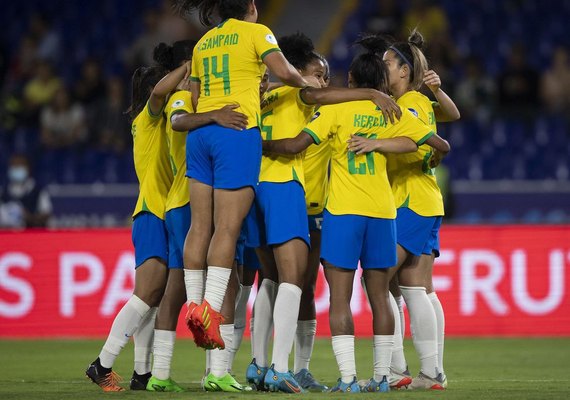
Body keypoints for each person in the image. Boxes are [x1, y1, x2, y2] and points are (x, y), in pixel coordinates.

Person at [262, 34, 450, 393]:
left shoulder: (334, 109)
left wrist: (257, 142)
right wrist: (388, 145)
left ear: (349, 82)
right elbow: (439, 144)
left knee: (340, 297)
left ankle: (348, 379)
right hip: (382, 212)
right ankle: (382, 378)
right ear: (380, 82)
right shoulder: (390, 110)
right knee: (383, 294)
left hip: (343, 212)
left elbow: (296, 145)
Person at [244, 31, 400, 393]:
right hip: (299, 197)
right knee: (294, 283)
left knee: (273, 281)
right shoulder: (307, 97)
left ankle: (266, 364)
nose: (323, 81)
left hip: (263, 191)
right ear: (299, 71)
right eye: (319, 73)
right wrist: (371, 92)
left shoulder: (264, 95)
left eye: (328, 75)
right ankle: (286, 368)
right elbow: (312, 106)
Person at [172, 0, 313, 354]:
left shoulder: (204, 42)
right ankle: (210, 310)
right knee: (227, 228)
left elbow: (195, 96)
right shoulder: (256, 32)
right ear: (250, 6)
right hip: (236, 131)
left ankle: (193, 304)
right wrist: (303, 81)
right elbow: (286, 73)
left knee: (199, 226)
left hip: (201, 134)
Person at [85, 60, 188, 392]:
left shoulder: (155, 123)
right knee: (145, 295)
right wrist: (188, 66)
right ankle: (103, 363)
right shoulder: (149, 115)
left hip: (159, 212)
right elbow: (160, 92)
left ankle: (142, 373)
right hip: (152, 212)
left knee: (154, 297)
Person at [372, 29, 460, 390]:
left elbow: (415, 141)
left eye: (388, 64)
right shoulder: (419, 101)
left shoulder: (409, 103)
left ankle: (395, 368)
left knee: (379, 278)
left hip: (411, 199)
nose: (383, 69)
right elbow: (452, 115)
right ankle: (431, 371)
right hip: (423, 199)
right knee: (418, 286)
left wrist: (372, 144)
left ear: (405, 71)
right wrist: (437, 92)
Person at [0, 154, 52, 229]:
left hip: (29, 235)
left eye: (20, 166)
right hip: (7, 236)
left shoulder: (38, 191)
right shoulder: (2, 192)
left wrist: (28, 218)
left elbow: (46, 216)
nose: (16, 169)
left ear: (28, 168)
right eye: (14, 166)